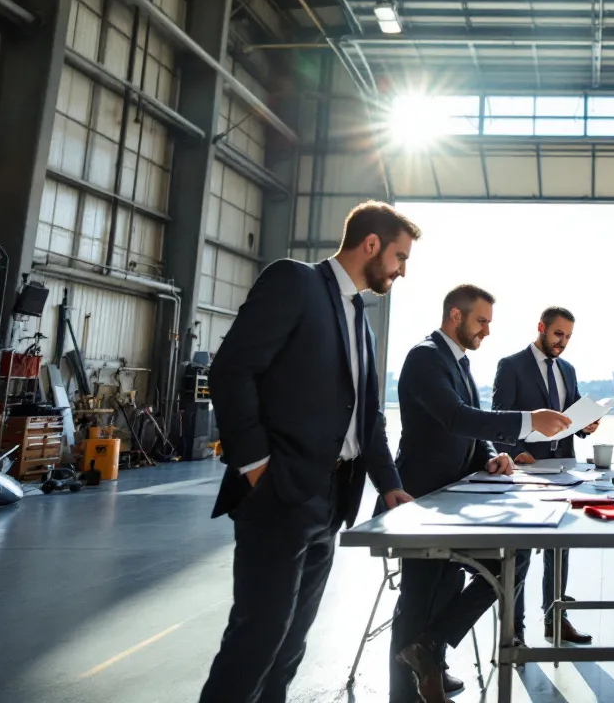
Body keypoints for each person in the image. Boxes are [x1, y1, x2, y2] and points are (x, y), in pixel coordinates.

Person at [200, 202, 420, 703]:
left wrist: (389, 485)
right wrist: (257, 466)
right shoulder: (295, 282)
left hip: (332, 500)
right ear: (371, 244)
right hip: (279, 494)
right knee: (256, 642)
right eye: (400, 257)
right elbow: (232, 370)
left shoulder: (361, 321)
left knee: (289, 647)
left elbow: (367, 418)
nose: (402, 270)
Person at [389, 285, 571, 703]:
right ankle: (404, 693)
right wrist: (528, 421)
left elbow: (471, 430)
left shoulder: (459, 362)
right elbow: (456, 418)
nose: (487, 330)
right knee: (419, 599)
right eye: (481, 321)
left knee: (510, 559)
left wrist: (491, 456)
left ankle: (430, 652)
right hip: (425, 501)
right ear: (456, 315)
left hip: (456, 501)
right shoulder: (425, 357)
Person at [491, 306, 597, 646]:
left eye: (568, 337)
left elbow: (571, 416)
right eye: (558, 334)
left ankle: (556, 620)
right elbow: (499, 416)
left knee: (559, 548)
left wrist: (587, 425)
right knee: (520, 553)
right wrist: (515, 451)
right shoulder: (511, 365)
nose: (562, 342)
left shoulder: (568, 369)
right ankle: (515, 632)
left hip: (564, 467)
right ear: (541, 327)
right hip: (525, 469)